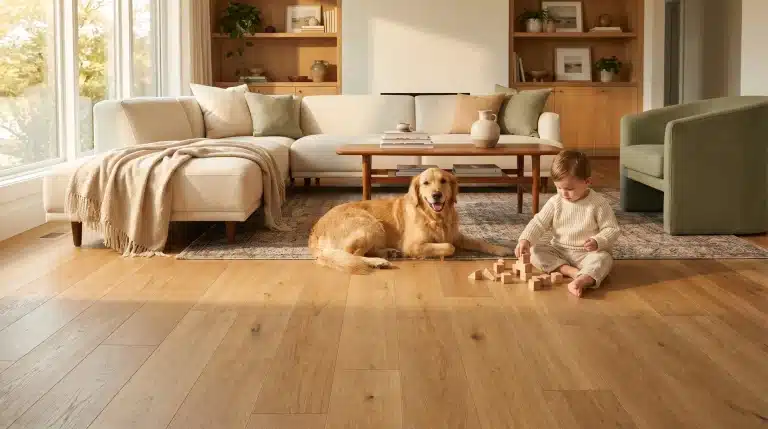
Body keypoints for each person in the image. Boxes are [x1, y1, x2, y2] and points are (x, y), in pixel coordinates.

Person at [515, 150, 620, 297]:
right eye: (558, 188)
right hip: (559, 250)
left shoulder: (598, 204)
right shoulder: (555, 202)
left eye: (569, 189)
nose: (563, 193)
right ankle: (571, 272)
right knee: (535, 252)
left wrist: (598, 241)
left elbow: (612, 229)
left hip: (587, 254)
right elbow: (539, 223)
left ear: (587, 182)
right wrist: (525, 239)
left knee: (603, 259)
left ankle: (583, 280)